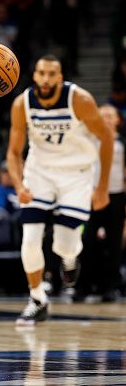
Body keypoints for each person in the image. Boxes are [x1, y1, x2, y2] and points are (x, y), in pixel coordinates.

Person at [6, 55, 113, 326]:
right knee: (30, 238)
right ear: (35, 76)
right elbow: (15, 151)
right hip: (39, 172)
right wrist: (19, 185)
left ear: (61, 76)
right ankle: (37, 298)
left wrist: (102, 187)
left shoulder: (80, 100)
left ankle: (69, 260)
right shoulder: (22, 104)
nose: (45, 79)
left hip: (76, 174)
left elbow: (107, 137)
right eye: (41, 73)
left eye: (51, 74)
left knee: (63, 244)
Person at [77, 104, 126, 302]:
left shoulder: (122, 143)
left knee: (113, 244)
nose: (106, 118)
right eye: (102, 115)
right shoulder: (89, 140)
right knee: (86, 241)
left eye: (109, 116)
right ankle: (83, 287)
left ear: (117, 120)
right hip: (92, 196)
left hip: (116, 196)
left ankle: (110, 288)